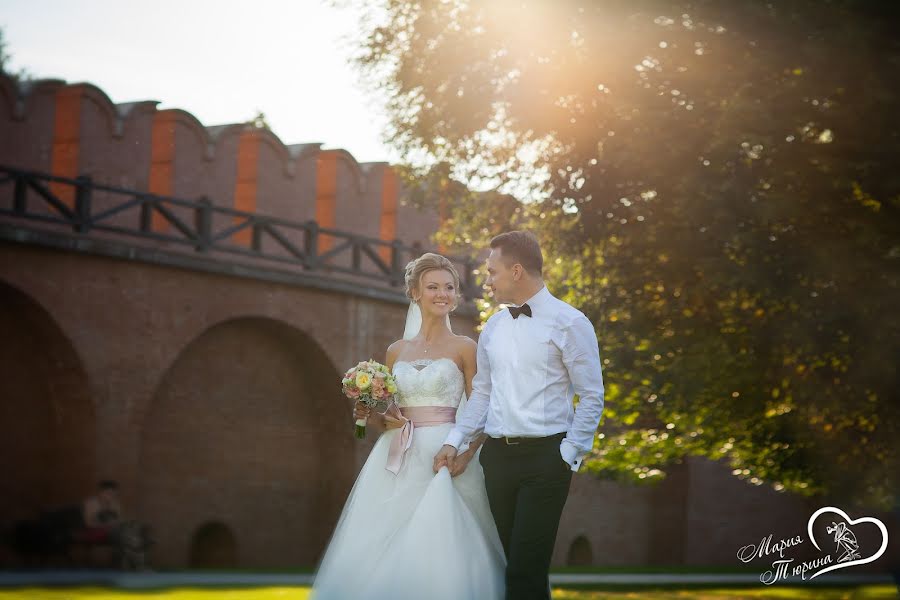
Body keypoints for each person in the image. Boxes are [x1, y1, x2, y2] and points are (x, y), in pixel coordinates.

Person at [311, 253, 505, 600]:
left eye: (449, 287)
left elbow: (483, 406)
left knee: (444, 536)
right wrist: (374, 417)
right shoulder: (395, 350)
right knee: (384, 536)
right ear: (415, 292)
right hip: (398, 451)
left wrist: (469, 451)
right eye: (432, 287)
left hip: (448, 454)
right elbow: (386, 410)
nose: (442, 294)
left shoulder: (466, 347)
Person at [434, 230, 605, 600]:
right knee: (508, 564)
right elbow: (482, 394)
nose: (487, 280)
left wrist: (569, 454)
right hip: (497, 459)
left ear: (515, 271)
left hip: (546, 460)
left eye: (491, 272)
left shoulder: (571, 323)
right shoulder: (493, 326)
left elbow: (591, 395)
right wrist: (454, 440)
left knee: (527, 568)